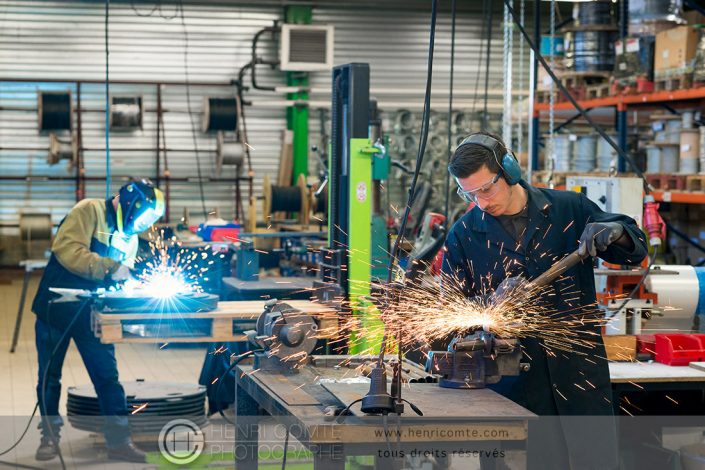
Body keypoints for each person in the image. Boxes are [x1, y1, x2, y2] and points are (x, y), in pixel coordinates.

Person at [442, 132, 648, 469]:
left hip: (579, 378)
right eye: (469, 193)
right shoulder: (464, 234)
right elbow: (451, 315)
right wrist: (490, 307)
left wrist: (617, 232)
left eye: (486, 189)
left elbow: (635, 248)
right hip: (513, 389)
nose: (480, 202)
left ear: (508, 171)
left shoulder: (570, 209)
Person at [31, 180, 164, 462]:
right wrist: (113, 269)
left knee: (106, 376)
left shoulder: (129, 237)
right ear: (131, 204)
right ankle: (49, 437)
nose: (139, 226)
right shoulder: (88, 211)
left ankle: (118, 441)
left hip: (92, 314)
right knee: (49, 377)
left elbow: (119, 281)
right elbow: (68, 251)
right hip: (56, 308)